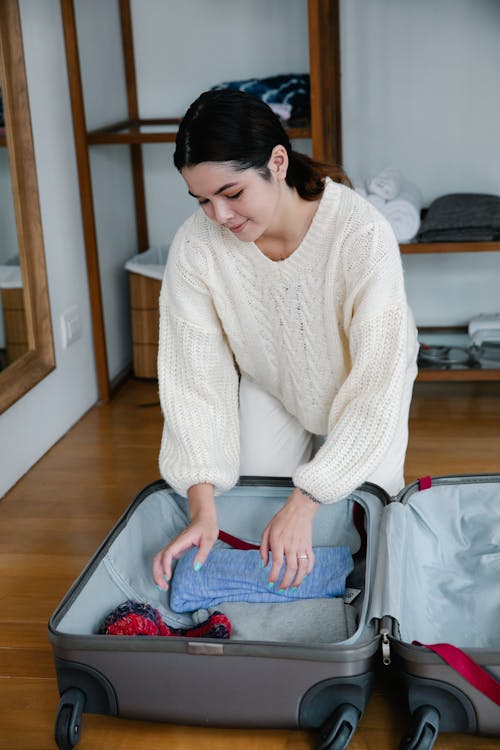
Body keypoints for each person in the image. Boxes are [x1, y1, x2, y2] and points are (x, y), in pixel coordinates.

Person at [152, 88, 418, 596]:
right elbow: (195, 381)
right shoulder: (196, 246)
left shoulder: (361, 233)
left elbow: (377, 387)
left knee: (362, 529)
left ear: (277, 162)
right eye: (203, 200)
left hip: (364, 391)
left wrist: (307, 499)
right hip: (271, 383)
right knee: (256, 530)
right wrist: (203, 508)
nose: (219, 217)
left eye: (231, 194)